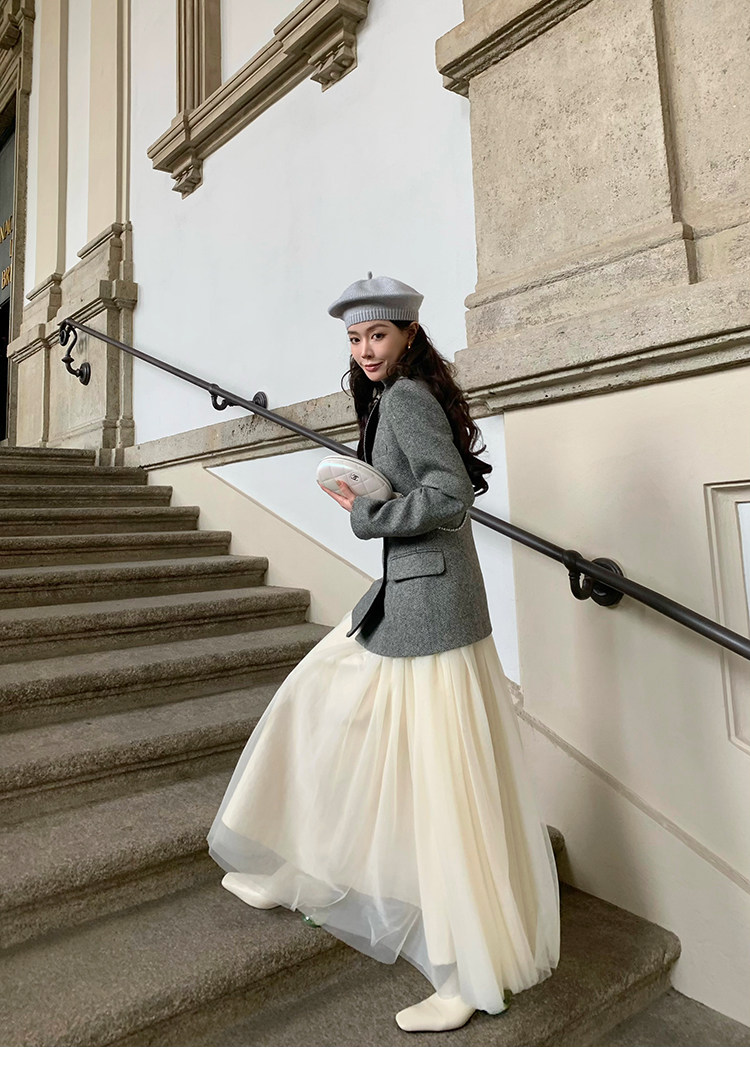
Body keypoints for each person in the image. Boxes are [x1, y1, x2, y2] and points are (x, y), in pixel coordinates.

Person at [207, 274, 560, 1033]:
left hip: (431, 610)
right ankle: (301, 873)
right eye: (355, 338)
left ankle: (467, 977)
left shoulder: (404, 398)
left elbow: (450, 494)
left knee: (441, 783)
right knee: (327, 717)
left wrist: (368, 513)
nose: (366, 349)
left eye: (378, 334)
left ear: (407, 334)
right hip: (413, 600)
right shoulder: (389, 395)